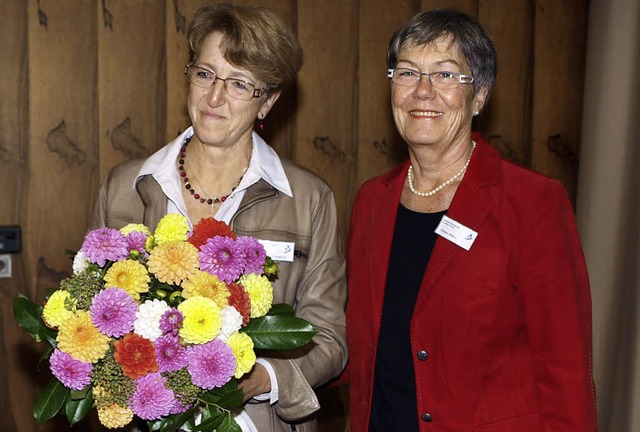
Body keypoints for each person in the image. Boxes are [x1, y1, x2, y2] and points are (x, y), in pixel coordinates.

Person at [91, 4, 347, 431]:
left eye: (240, 84)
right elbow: (96, 315)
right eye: (206, 74)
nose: (214, 97)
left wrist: (258, 378)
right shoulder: (124, 186)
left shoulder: (308, 199)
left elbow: (328, 338)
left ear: (268, 102)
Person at [345, 8, 597, 431]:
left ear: (479, 96)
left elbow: (565, 368)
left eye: (446, 76)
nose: (423, 92)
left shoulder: (531, 202)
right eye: (407, 73)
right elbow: (362, 346)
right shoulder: (372, 201)